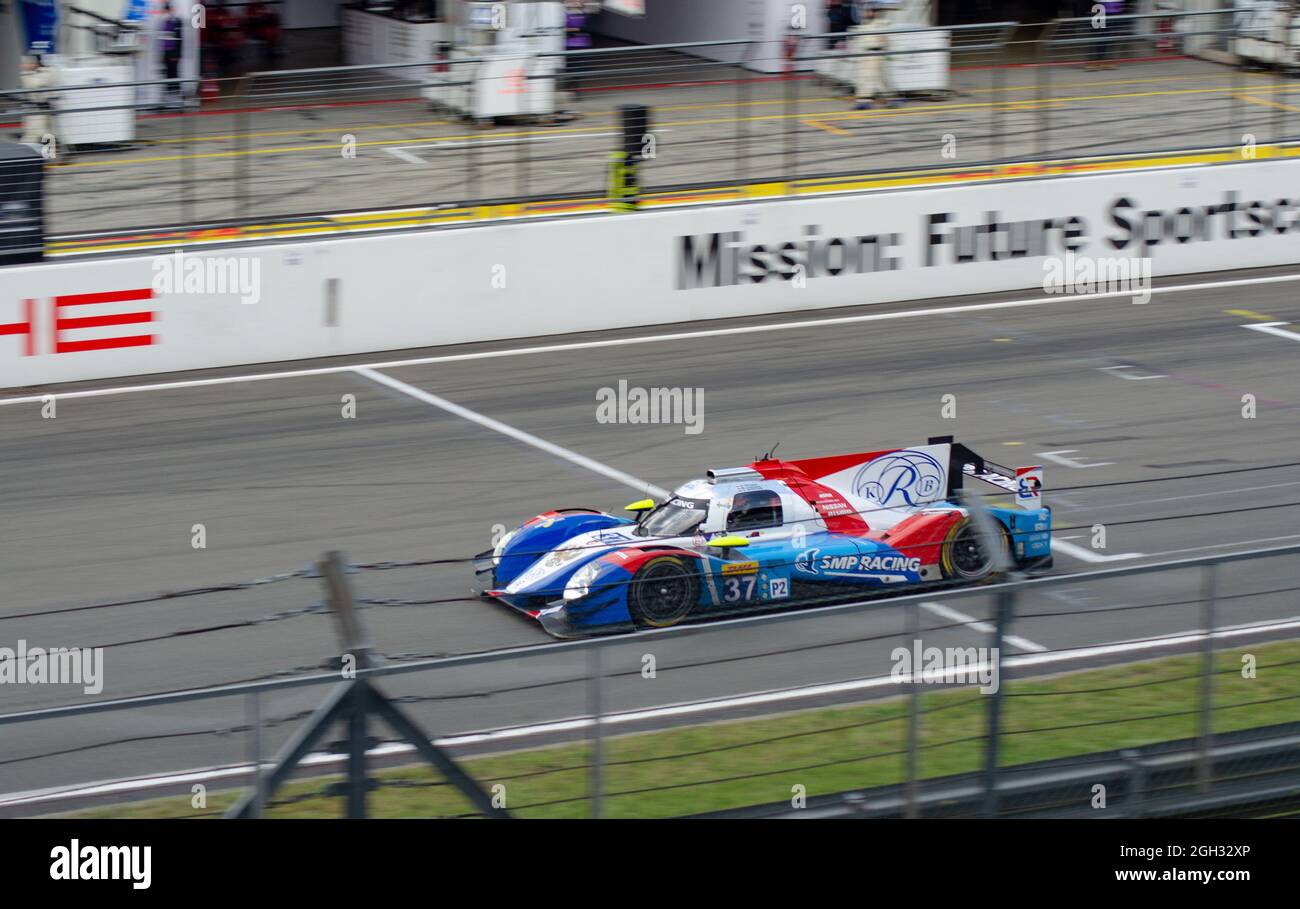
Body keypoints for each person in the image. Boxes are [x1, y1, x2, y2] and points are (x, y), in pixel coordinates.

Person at [851, 4, 892, 110]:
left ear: (874, 12)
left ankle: (888, 99)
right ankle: (863, 101)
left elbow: (886, 39)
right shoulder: (863, 25)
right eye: (866, 12)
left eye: (870, 11)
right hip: (865, 54)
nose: (867, 14)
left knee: (878, 78)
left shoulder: (880, 24)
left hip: (876, 53)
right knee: (864, 78)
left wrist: (886, 51)